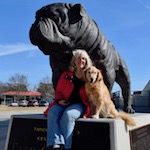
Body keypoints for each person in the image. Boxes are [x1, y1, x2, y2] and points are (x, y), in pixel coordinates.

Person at [44, 49, 92, 150]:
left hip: (80, 104)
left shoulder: (89, 75)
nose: (81, 61)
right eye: (78, 58)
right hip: (64, 102)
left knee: (69, 114)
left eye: (83, 59)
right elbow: (58, 91)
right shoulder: (66, 75)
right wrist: (59, 100)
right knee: (52, 112)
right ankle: (56, 144)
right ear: (74, 61)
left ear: (86, 61)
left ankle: (67, 147)